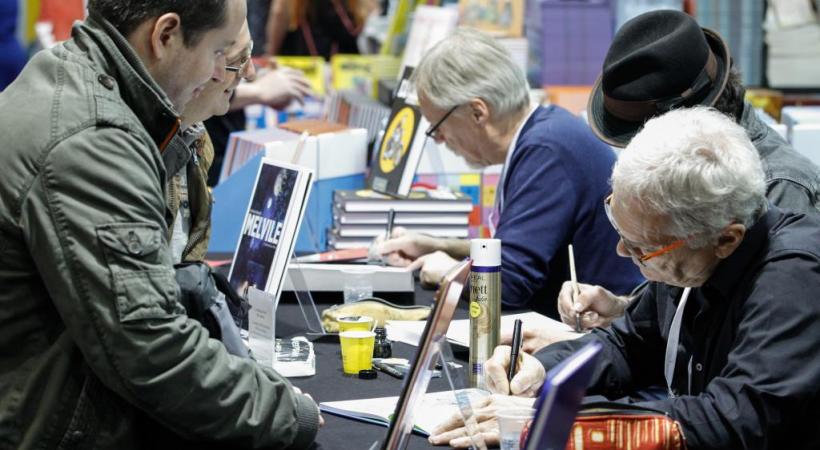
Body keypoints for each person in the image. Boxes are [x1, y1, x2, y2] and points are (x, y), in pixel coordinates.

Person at [0, 1, 321, 448]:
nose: (232, 74)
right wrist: (286, 412)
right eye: (220, 53)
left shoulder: (79, 83)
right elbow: (151, 347)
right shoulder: (93, 140)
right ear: (165, 35)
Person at [430, 107, 820, 449]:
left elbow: (734, 420)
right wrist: (544, 370)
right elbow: (627, 343)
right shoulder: (690, 248)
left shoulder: (794, 276)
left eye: (641, 247)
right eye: (618, 223)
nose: (621, 252)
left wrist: (561, 420)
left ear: (725, 239)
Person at [546, 9, 820, 337]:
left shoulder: (777, 188)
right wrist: (624, 308)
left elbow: (756, 343)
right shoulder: (700, 184)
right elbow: (691, 300)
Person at [376, 28, 642, 318]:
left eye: (437, 126)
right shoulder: (543, 132)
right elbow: (511, 250)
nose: (439, 139)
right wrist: (436, 245)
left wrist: (448, 272)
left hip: (596, 332)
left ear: (478, 112)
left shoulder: (547, 150)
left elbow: (509, 284)